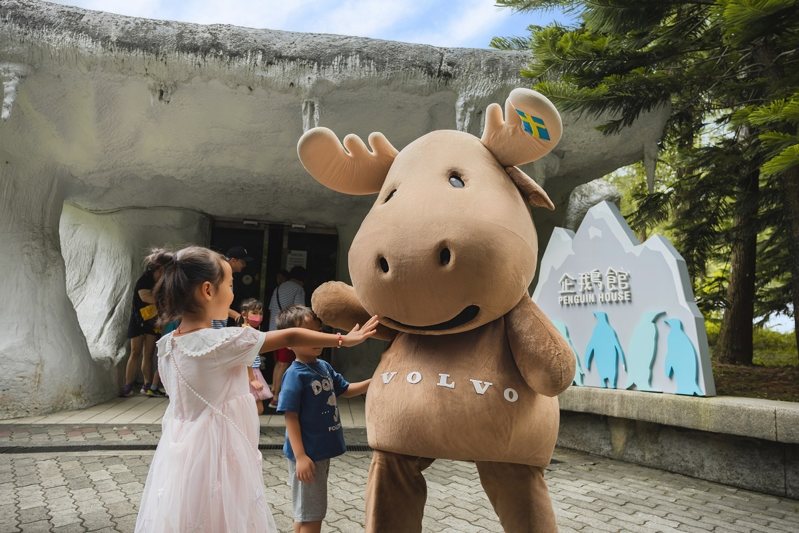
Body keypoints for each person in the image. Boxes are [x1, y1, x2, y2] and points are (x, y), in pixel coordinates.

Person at [134, 245, 378, 533]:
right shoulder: (224, 342)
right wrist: (343, 340)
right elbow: (289, 334)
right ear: (208, 290)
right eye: (230, 284)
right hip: (220, 450)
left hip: (180, 451)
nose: (233, 292)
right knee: (225, 515)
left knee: (186, 514)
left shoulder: (167, 345)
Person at [276, 305, 371, 533]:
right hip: (308, 454)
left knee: (306, 512)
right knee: (312, 516)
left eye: (319, 331)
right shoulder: (294, 374)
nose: (317, 337)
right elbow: (290, 417)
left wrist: (376, 381)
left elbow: (346, 390)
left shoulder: (323, 366)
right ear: (290, 341)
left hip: (319, 453)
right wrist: (300, 456)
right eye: (308, 333)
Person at [120, 251, 168, 397]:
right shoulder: (145, 280)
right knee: (135, 352)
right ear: (159, 269)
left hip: (153, 321)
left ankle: (147, 385)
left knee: (149, 354)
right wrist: (164, 300)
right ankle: (128, 385)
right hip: (138, 320)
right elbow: (145, 297)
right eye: (165, 271)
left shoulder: (161, 283)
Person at [268, 266, 307, 408]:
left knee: (279, 363)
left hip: (273, 331)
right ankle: (276, 397)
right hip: (285, 332)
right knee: (284, 364)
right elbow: (300, 312)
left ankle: (274, 393)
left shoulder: (278, 288)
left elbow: (271, 309)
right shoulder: (298, 289)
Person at [239, 297, 273, 415]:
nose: (258, 316)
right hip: (250, 373)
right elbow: (246, 357)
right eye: (254, 313)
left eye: (260, 313)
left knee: (255, 409)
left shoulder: (250, 331)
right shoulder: (246, 332)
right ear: (244, 314)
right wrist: (252, 379)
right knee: (256, 409)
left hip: (253, 371)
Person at [225, 245, 254, 325]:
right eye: (242, 262)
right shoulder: (220, 275)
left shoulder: (228, 276)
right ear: (233, 260)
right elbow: (216, 304)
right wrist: (237, 316)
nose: (244, 265)